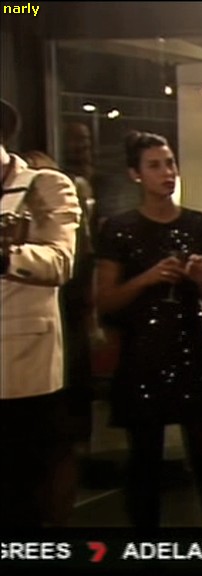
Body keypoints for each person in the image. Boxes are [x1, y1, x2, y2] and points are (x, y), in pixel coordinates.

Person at [94, 131, 202, 527]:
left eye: (170, 163)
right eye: (155, 166)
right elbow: (106, 301)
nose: (167, 172)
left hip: (189, 352)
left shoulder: (198, 224)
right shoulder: (119, 229)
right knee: (145, 460)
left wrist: (201, 279)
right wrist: (147, 278)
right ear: (135, 174)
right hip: (142, 357)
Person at [0, 98, 82, 527]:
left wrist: (7, 256)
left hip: (22, 371)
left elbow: (60, 262)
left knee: (24, 496)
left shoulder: (42, 185)